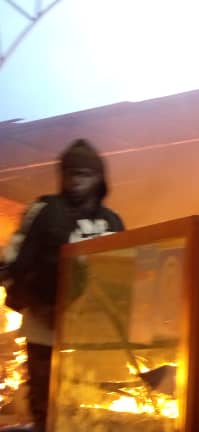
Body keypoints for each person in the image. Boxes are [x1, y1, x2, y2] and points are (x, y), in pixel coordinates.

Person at [2, 139, 124, 431]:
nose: (76, 181)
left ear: (99, 177)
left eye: (85, 174)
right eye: (71, 173)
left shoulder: (111, 221)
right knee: (45, 401)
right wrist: (34, 304)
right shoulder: (45, 210)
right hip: (45, 322)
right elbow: (16, 259)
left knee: (87, 401)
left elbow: (122, 271)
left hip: (92, 328)